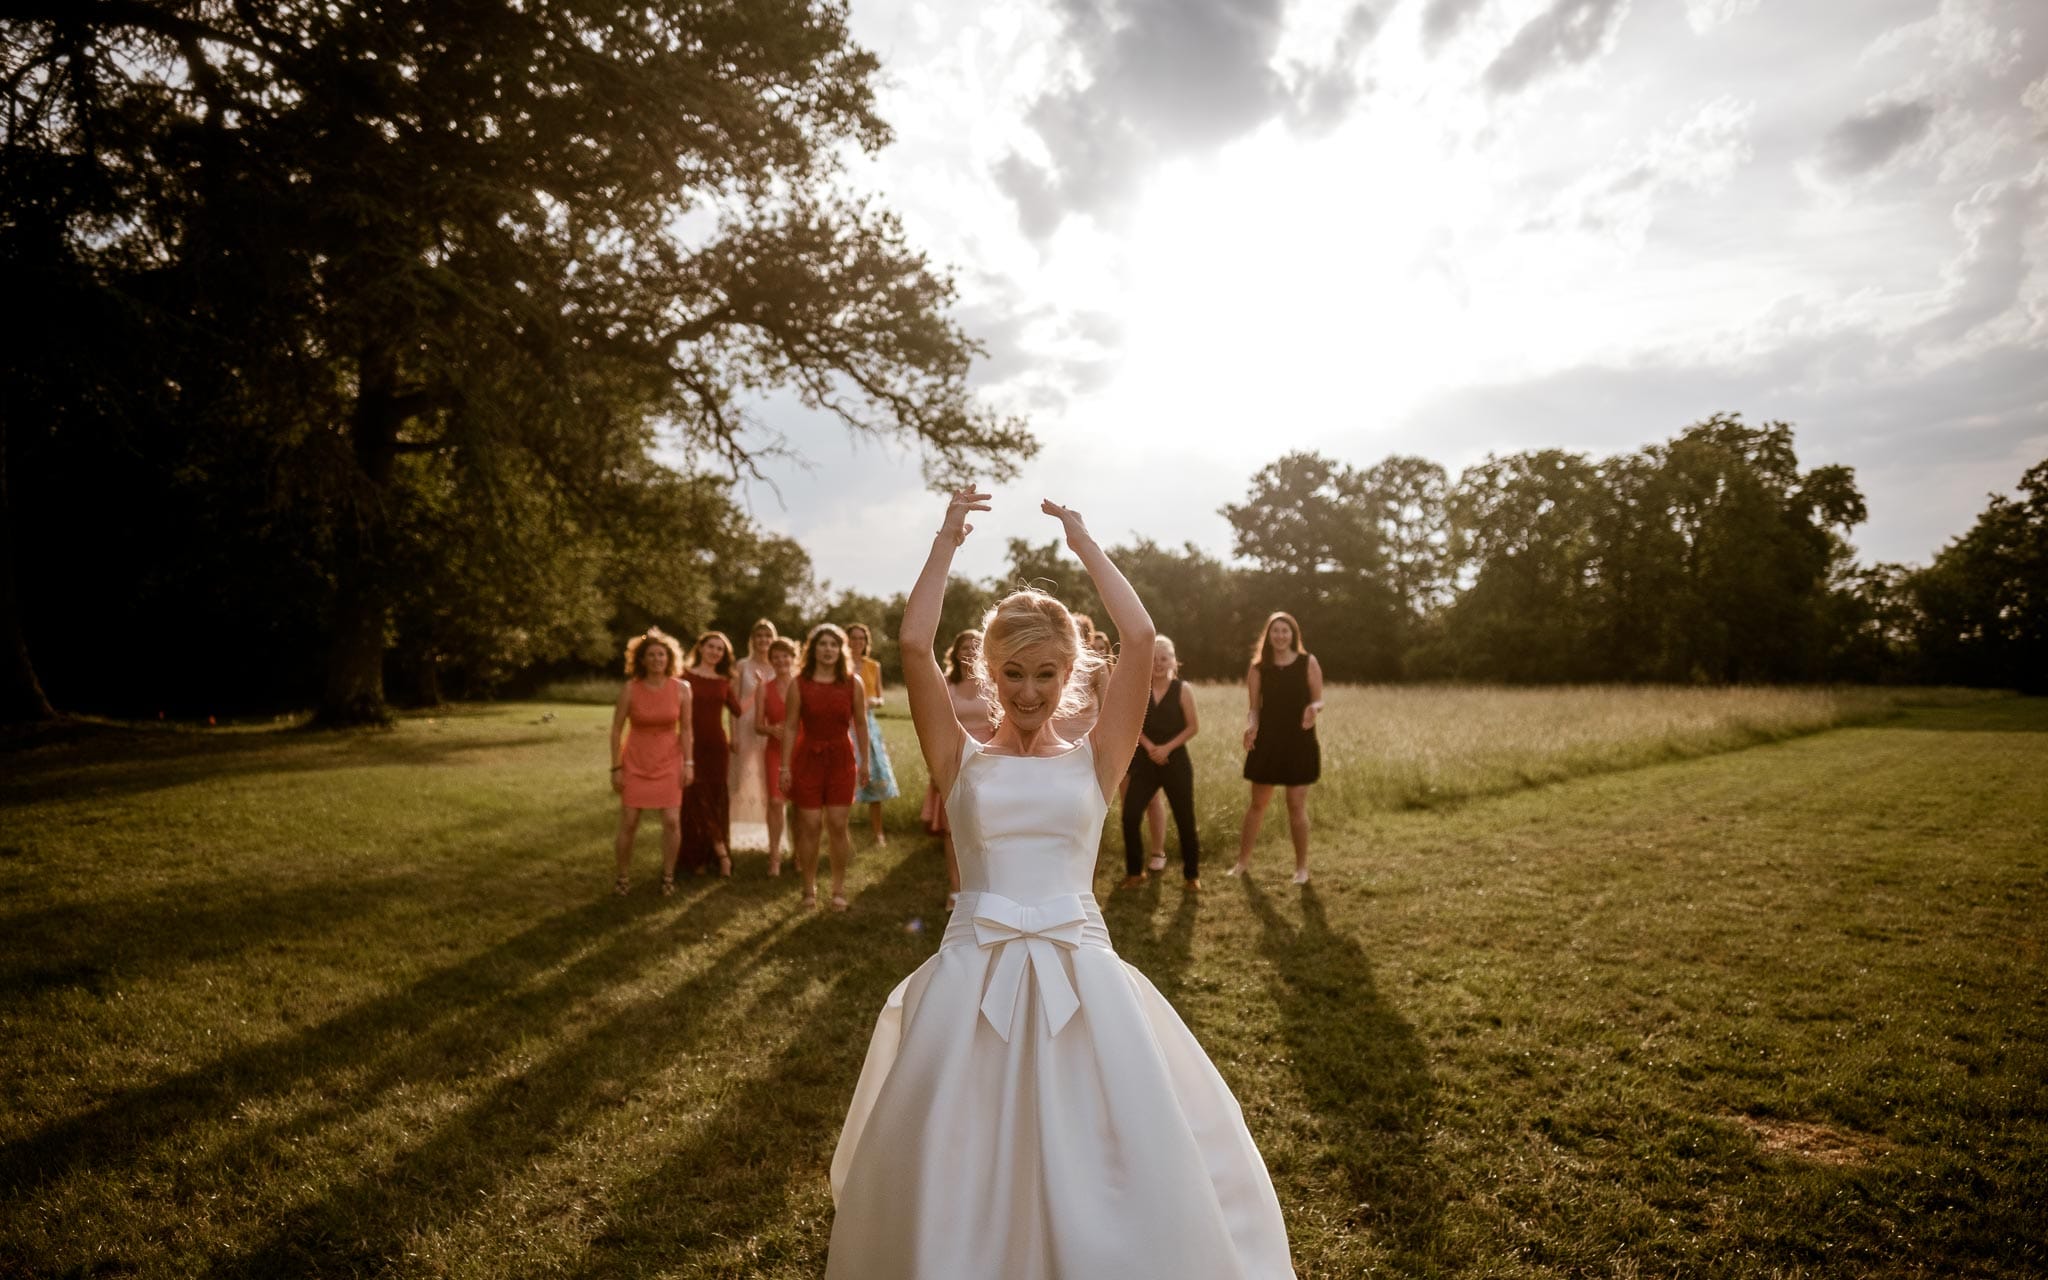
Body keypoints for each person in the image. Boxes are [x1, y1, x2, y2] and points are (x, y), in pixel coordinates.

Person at [826, 491, 1293, 1278]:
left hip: (1083, 973)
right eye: (1012, 674)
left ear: (1070, 673)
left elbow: (1139, 637)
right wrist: (946, 540)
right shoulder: (961, 759)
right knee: (956, 1153)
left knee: (1107, 1162)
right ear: (989, 671)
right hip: (971, 974)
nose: (1030, 691)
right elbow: (912, 642)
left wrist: (1085, 545)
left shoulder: (1097, 761)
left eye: (1046, 674)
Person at [779, 623, 871, 910]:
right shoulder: (799, 683)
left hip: (841, 758)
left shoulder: (853, 682)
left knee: (837, 824)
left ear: (840, 649)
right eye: (822, 644)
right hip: (807, 759)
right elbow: (791, 726)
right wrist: (785, 767)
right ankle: (809, 889)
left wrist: (865, 762)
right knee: (808, 826)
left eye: (833, 644)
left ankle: (838, 889)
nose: (828, 649)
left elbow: (861, 723)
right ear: (813, 649)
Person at [1232, 611, 1322, 885]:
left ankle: (1301, 869)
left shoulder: (1308, 662)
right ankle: (1242, 863)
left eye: (1285, 631)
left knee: (1296, 805)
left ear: (1293, 635)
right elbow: (1253, 709)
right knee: (1258, 804)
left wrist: (1312, 709)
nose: (1281, 636)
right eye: (1276, 631)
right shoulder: (1258, 668)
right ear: (1268, 636)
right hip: (1268, 742)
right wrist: (1251, 726)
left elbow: (1319, 700)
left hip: (1299, 741)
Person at [607, 628, 693, 896]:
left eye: (661, 655)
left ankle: (668, 876)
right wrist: (616, 766)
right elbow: (616, 729)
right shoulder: (630, 689)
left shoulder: (682, 689)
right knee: (630, 820)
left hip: (669, 759)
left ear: (669, 659)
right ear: (641, 660)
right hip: (635, 759)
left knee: (671, 821)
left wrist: (689, 763)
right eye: (651, 655)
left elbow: (687, 729)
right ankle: (622, 876)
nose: (657, 659)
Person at [1121, 634, 1202, 891]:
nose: (1158, 663)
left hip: (1175, 760)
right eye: (1154, 658)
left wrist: (1166, 748)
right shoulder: (1139, 688)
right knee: (1130, 815)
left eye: (1164, 658)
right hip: (1145, 760)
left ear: (1173, 661)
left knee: (1185, 818)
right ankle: (1135, 872)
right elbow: (1132, 725)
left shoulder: (1182, 690)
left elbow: (1192, 727)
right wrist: (1150, 747)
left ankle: (1192, 876)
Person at [920, 628, 994, 908]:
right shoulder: (946, 685)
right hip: (955, 759)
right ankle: (956, 889)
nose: (970, 650)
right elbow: (935, 727)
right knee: (953, 830)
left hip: (987, 760)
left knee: (984, 827)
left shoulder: (992, 684)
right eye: (965, 645)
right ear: (956, 650)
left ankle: (984, 887)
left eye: (976, 646)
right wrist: (935, 766)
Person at [679, 631, 744, 876]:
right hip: (691, 745)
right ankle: (701, 856)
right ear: (701, 648)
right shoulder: (683, 677)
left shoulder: (723, 681)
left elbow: (737, 711)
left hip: (717, 748)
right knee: (694, 799)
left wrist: (758, 692)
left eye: (720, 649)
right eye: (711, 647)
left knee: (713, 800)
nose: (715, 652)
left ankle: (717, 855)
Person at [845, 622, 900, 846]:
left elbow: (880, 697)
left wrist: (872, 701)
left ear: (866, 642)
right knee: (845, 777)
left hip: (867, 724)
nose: (857, 642)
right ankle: (843, 833)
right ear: (846, 641)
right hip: (844, 725)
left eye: (861, 638)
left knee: (874, 775)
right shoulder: (841, 666)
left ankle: (878, 833)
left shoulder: (873, 666)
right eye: (853, 638)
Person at [727, 618, 779, 855]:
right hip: (746, 727)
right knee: (742, 781)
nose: (763, 641)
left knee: (770, 782)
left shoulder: (780, 665)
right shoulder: (742, 666)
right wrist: (733, 733)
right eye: (759, 636)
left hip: (772, 729)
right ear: (752, 640)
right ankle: (739, 835)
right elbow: (733, 704)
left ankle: (771, 837)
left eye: (768, 636)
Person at [751, 635, 799, 877]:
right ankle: (774, 857)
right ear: (770, 661)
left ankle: (800, 854)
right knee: (776, 803)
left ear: (793, 658)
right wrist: (771, 729)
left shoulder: (802, 684)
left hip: (801, 750)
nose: (781, 661)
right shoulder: (764, 688)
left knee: (801, 806)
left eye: (785, 656)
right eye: (776, 657)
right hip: (774, 752)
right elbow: (758, 725)